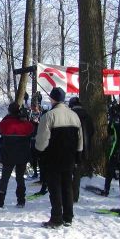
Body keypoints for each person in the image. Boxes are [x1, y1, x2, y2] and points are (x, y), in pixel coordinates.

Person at [35, 87, 83, 228]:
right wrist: (78, 154)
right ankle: (68, 216)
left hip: (53, 157)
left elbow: (42, 139)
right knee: (67, 186)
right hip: (69, 157)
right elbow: (80, 138)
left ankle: (56, 218)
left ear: (52, 99)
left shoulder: (49, 116)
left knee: (54, 188)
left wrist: (39, 152)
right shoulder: (74, 115)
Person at [0, 102, 34, 209]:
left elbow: (0, 129)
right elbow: (32, 129)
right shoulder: (26, 124)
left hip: (8, 155)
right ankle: (21, 201)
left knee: (4, 179)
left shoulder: (5, 122)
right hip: (22, 155)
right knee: (20, 178)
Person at [68, 97, 94, 202]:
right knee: (77, 173)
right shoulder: (87, 116)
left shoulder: (70, 115)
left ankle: (69, 194)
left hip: (72, 148)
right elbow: (92, 131)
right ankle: (75, 196)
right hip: (84, 149)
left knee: (69, 172)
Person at [102, 101, 120, 196]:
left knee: (110, 168)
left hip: (116, 146)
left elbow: (109, 131)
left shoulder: (115, 120)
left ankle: (106, 189)